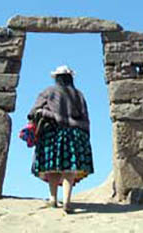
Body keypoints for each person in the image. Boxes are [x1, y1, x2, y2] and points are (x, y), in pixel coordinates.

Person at [27, 65, 94, 213]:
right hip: (75, 134)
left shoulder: (48, 92)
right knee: (69, 168)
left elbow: (34, 112)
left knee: (53, 168)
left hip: (53, 133)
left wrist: (46, 113)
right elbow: (85, 117)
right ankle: (67, 201)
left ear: (56, 78)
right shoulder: (78, 95)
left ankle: (53, 199)